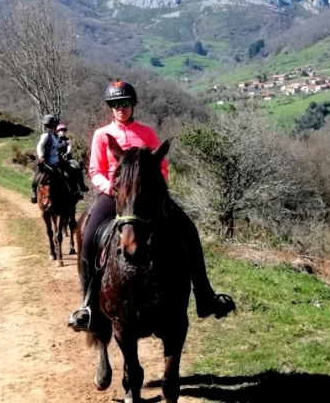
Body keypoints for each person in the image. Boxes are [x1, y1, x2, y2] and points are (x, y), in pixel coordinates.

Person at [67, 80, 236, 331]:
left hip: (147, 198)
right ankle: (89, 304)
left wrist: (154, 191)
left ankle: (205, 295)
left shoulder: (146, 133)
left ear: (133, 105)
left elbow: (162, 167)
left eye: (125, 103)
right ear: (110, 108)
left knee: (188, 229)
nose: (120, 108)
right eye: (115, 104)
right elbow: (95, 170)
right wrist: (112, 190)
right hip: (114, 196)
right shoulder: (102, 135)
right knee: (90, 234)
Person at [30, 114, 62, 203]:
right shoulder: (46, 135)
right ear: (54, 125)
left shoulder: (55, 136)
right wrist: (41, 156)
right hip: (47, 164)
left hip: (56, 162)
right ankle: (34, 194)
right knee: (37, 179)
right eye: (55, 124)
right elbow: (39, 146)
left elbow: (58, 146)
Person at [57, 123, 89, 196]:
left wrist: (66, 153)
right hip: (55, 159)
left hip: (66, 159)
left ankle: (80, 187)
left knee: (77, 167)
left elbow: (69, 148)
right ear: (57, 131)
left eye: (64, 130)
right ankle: (35, 191)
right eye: (62, 130)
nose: (63, 131)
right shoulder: (54, 140)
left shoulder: (67, 140)